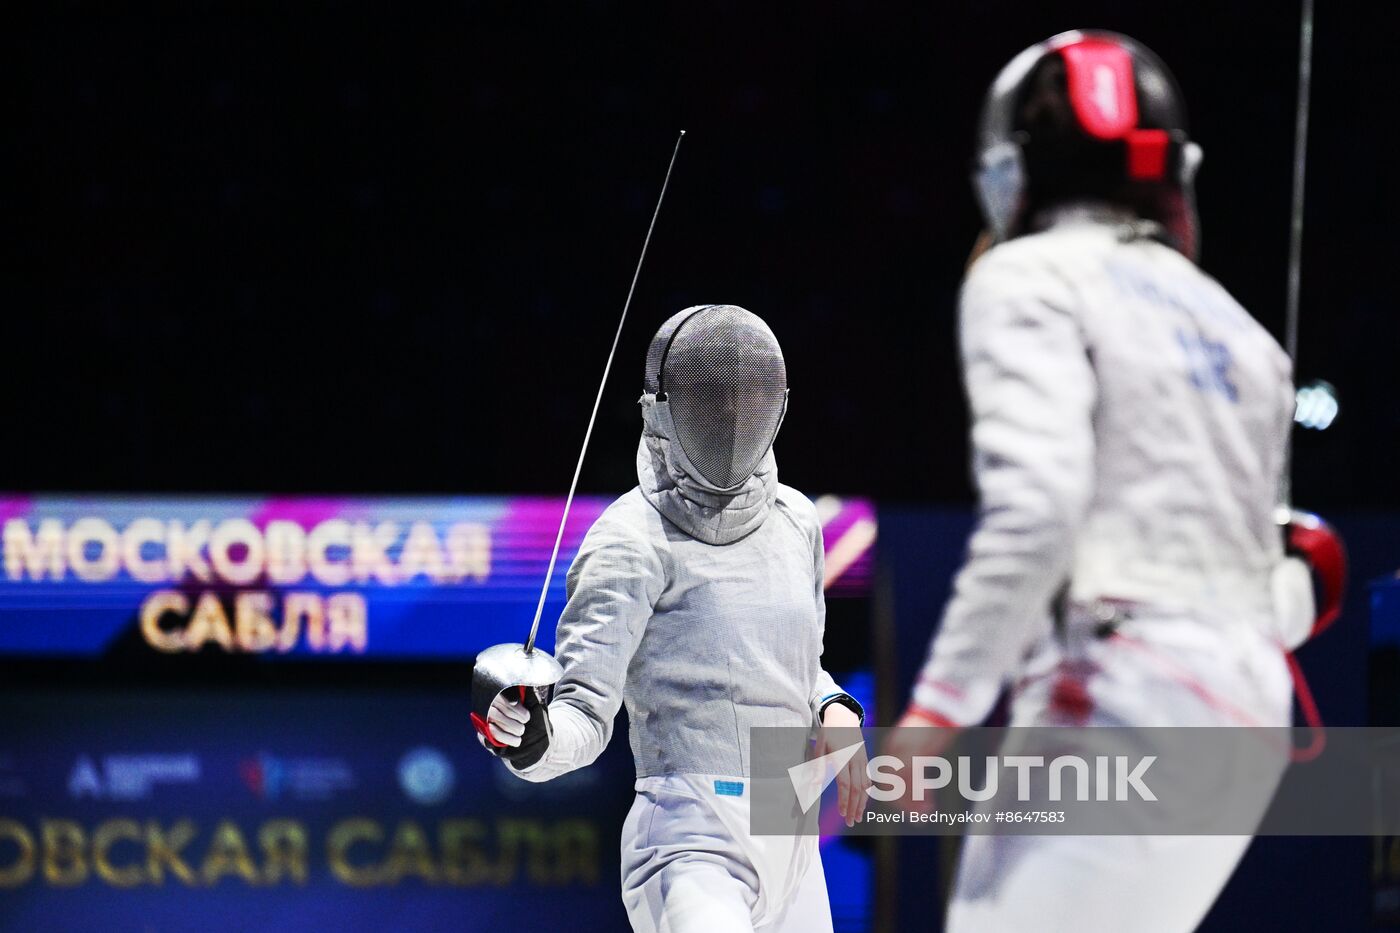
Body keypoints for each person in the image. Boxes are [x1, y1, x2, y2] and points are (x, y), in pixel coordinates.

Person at [886, 30, 1341, 932]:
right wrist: (1298, 588)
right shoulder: (1246, 335)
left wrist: (938, 708)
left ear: (1015, 171)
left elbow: (1041, 507)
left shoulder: (1025, 276)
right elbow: (1263, 595)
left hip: (1121, 689)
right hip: (1244, 717)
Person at [475, 304, 869, 933]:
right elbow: (584, 709)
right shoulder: (629, 541)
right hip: (692, 843)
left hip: (789, 833)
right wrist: (532, 738)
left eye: (752, 397)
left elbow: (796, 661)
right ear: (662, 407)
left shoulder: (797, 520)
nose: (733, 418)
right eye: (712, 400)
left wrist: (835, 707)